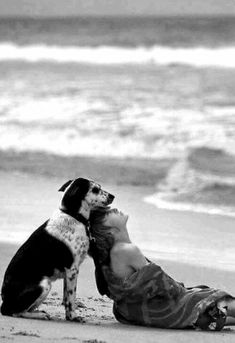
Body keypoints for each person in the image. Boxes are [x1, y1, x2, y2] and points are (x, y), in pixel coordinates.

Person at [88, 207, 235, 331]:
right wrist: (186, 292)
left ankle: (215, 318)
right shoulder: (126, 250)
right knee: (219, 300)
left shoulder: (113, 253)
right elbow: (164, 286)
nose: (113, 208)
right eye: (107, 213)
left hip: (133, 313)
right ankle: (213, 317)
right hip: (161, 311)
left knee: (214, 304)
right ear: (109, 232)